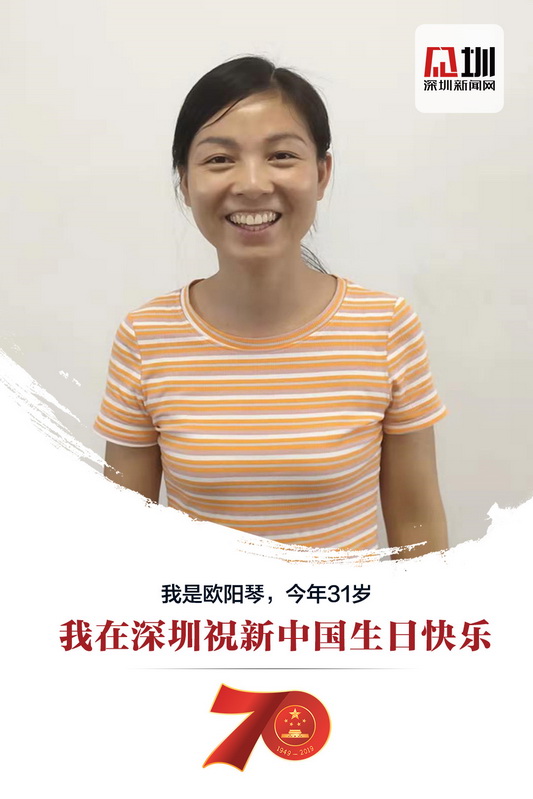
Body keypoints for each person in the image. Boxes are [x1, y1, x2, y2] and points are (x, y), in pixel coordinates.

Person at [94, 55, 448, 558]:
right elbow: (124, 536)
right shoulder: (145, 337)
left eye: (281, 155)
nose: (253, 183)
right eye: (220, 159)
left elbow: (416, 521)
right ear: (185, 182)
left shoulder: (386, 327)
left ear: (322, 173)